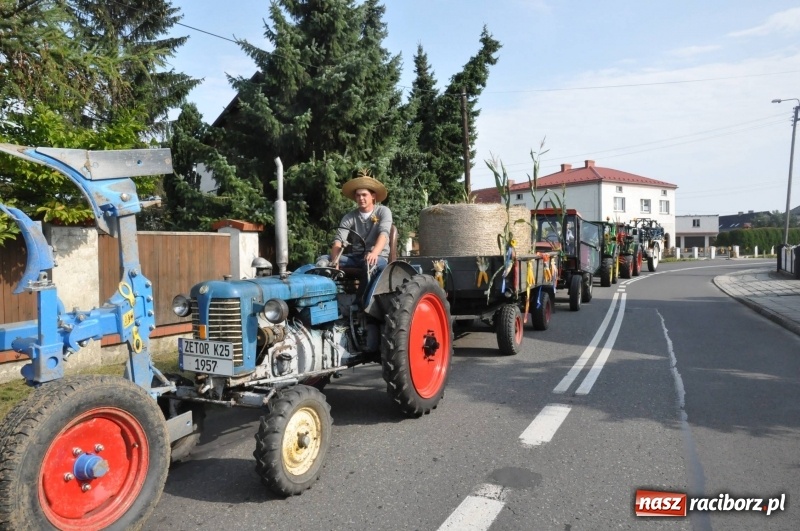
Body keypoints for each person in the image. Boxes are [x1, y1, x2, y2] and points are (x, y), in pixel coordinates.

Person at [320, 170, 393, 279]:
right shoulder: (349, 217)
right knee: (324, 259)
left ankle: (363, 291)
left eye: (364, 195)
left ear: (373, 196)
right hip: (356, 257)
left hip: (378, 257)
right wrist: (335, 261)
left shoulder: (383, 211)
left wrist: (374, 253)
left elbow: (384, 234)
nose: (361, 198)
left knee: (369, 264)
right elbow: (338, 240)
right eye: (358, 195)